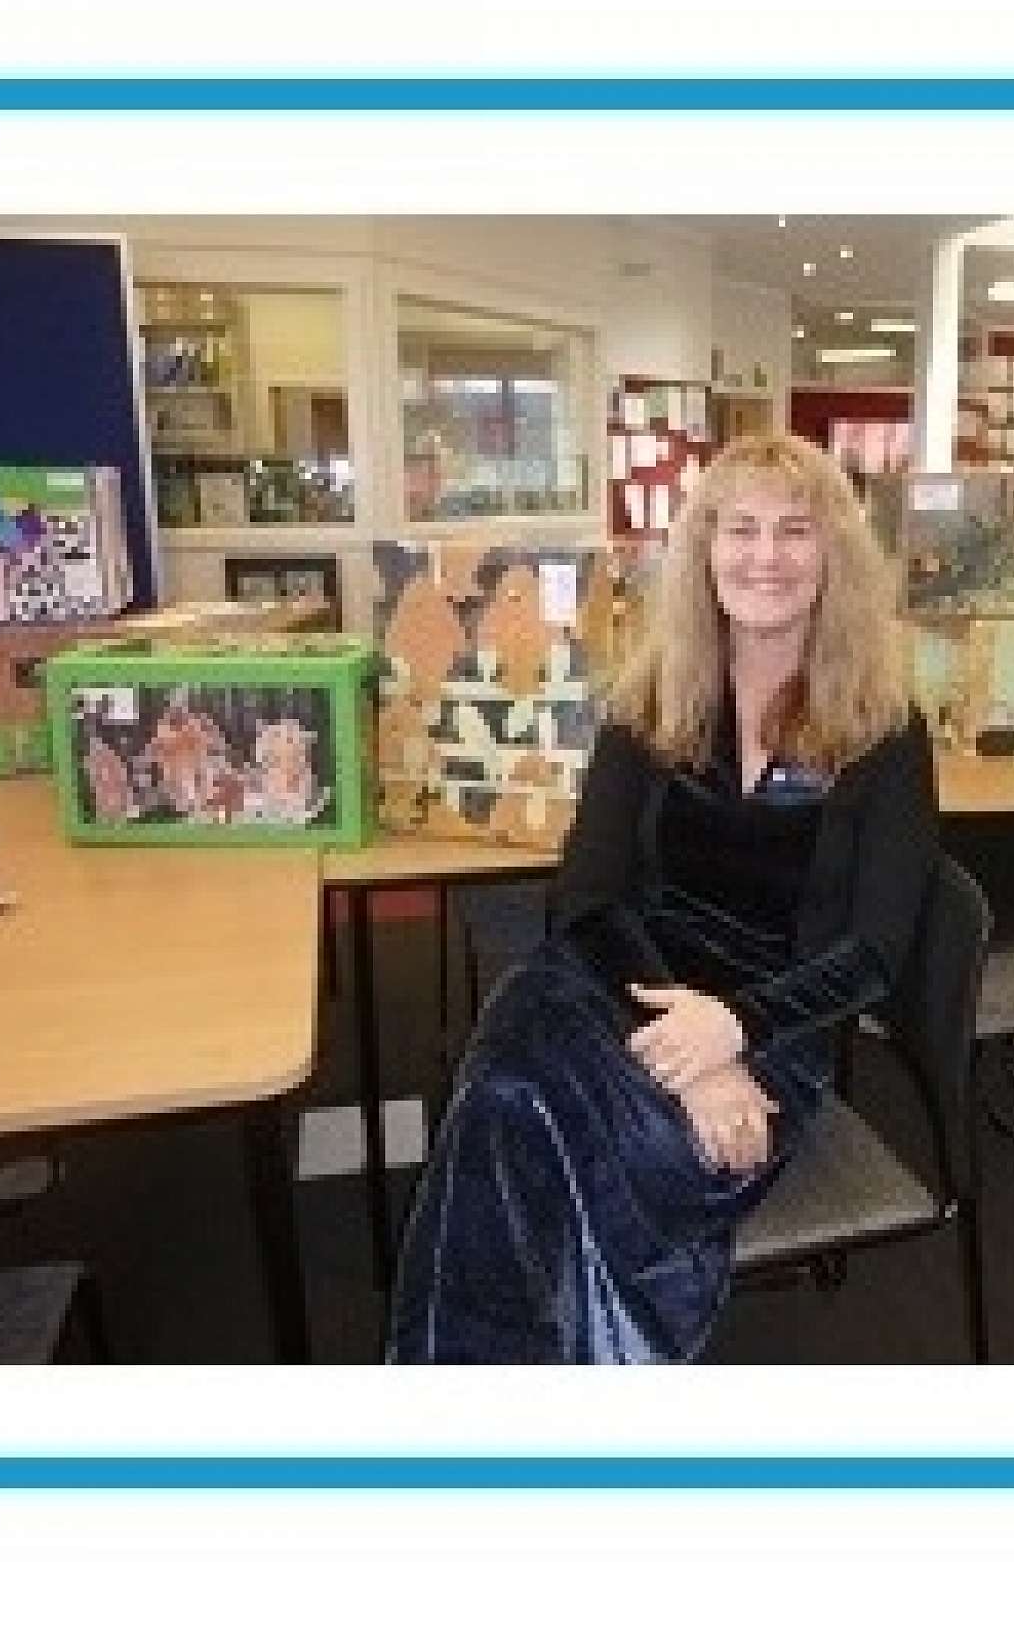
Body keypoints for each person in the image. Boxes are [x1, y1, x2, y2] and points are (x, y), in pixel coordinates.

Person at [387, 433, 939, 1363]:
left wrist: (735, 1031)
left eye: (795, 530)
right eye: (741, 529)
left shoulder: (885, 728)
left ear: (834, 555)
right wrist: (694, 1058)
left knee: (609, 1155)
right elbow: (586, 898)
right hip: (609, 984)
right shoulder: (649, 701)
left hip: (778, 1021)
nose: (766, 556)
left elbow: (879, 950)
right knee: (499, 1102)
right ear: (704, 551)